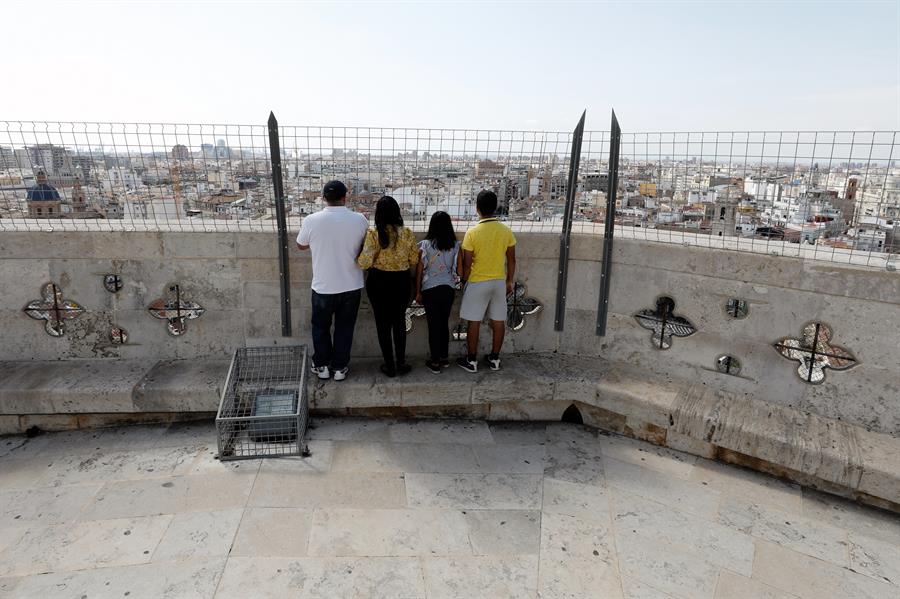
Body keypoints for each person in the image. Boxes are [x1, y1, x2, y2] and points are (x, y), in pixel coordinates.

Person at [296, 180, 368, 381]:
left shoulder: (311, 220)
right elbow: (365, 245)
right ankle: (339, 367)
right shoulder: (360, 219)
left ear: (323, 198)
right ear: (345, 197)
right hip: (351, 284)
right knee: (345, 328)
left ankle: (321, 366)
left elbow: (301, 245)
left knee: (320, 326)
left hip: (323, 286)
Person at [357, 196, 419, 377]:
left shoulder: (374, 235)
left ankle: (389, 365)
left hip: (378, 283)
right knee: (399, 322)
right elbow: (414, 259)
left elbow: (364, 263)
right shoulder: (406, 233)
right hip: (401, 283)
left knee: (382, 325)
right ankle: (401, 363)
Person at [457, 190, 516, 372]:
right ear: (496, 207)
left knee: (473, 321)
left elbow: (467, 264)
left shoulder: (472, 233)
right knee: (499, 321)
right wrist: (510, 281)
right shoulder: (505, 231)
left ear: (477, 208)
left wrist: (464, 281)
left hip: (477, 281)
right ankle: (495, 359)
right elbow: (512, 260)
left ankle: (472, 360)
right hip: (499, 281)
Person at [414, 211, 463, 374]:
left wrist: (417, 292)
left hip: (430, 289)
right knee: (443, 323)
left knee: (433, 325)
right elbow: (459, 269)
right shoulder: (456, 245)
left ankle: (435, 361)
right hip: (448, 288)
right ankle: (444, 357)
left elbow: (419, 271)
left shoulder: (424, 245)